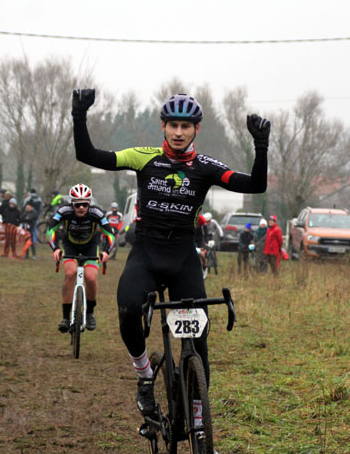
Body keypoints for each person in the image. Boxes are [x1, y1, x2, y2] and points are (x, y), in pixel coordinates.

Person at [71, 88, 269, 430]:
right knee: (129, 308)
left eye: (186, 126)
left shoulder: (205, 167)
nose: (179, 132)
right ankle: (145, 375)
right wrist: (79, 116)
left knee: (198, 341)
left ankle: (197, 424)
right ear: (163, 126)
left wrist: (261, 146)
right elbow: (89, 154)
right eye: (173, 125)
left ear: (197, 129)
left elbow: (255, 185)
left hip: (183, 256)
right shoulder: (143, 157)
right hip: (146, 252)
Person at [46, 183, 114, 332]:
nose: (81, 208)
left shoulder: (97, 213)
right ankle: (65, 317)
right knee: (70, 273)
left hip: (90, 246)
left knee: (90, 277)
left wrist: (106, 251)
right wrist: (56, 248)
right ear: (72, 204)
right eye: (77, 205)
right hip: (70, 246)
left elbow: (110, 234)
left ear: (89, 203)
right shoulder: (63, 211)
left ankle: (90, 313)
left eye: (84, 204)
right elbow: (51, 229)